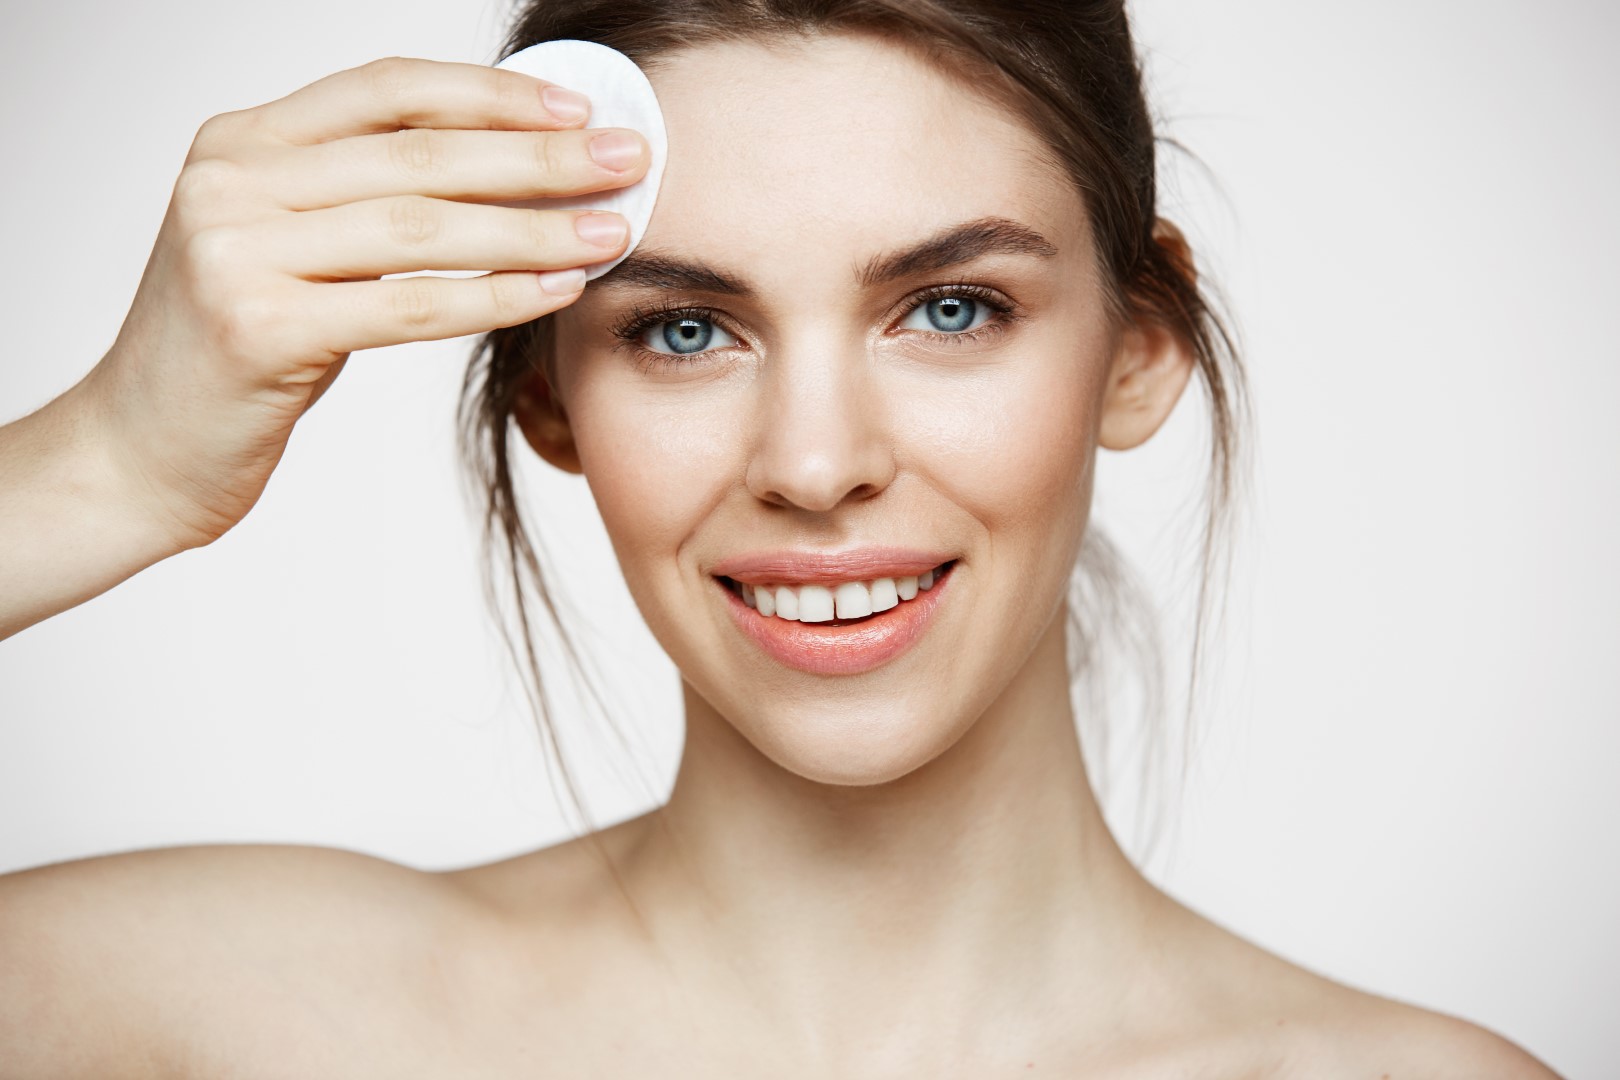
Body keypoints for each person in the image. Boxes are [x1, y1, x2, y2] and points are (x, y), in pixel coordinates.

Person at [0, 0, 1561, 1074]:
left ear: (1139, 348)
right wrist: (102, 468)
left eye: (952, 309)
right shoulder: (219, 1024)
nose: (815, 465)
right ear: (549, 397)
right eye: (684, 331)